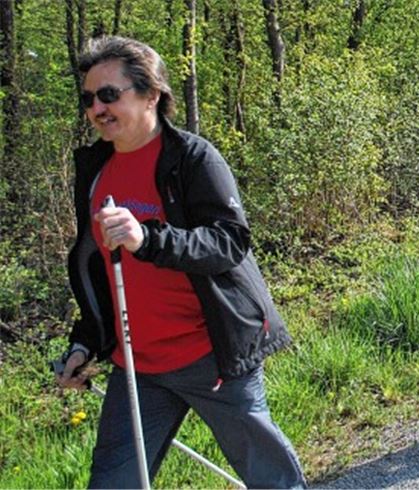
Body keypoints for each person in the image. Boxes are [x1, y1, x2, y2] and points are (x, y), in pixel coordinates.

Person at [54, 36, 305, 488]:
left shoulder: (192, 158)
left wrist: (147, 238)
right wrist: (83, 345)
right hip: (138, 366)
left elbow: (229, 242)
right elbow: (101, 270)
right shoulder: (94, 169)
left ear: (152, 94)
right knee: (112, 483)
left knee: (271, 479)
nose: (97, 108)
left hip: (211, 356)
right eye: (89, 98)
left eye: (110, 94)